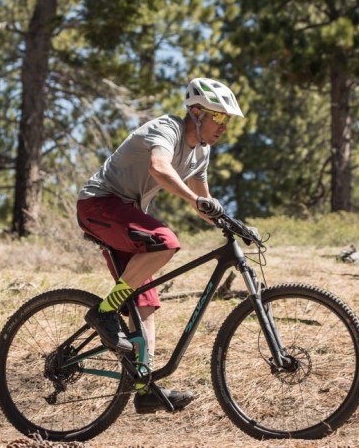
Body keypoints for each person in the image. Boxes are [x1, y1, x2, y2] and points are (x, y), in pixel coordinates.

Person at [76, 77, 244, 414]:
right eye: (218, 117)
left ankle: (145, 389)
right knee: (166, 242)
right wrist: (195, 199)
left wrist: (231, 224)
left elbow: (204, 201)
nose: (224, 126)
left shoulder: (201, 152)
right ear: (196, 112)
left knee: (146, 305)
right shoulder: (167, 129)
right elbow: (159, 167)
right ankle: (105, 312)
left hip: (128, 215)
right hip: (99, 204)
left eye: (227, 120)